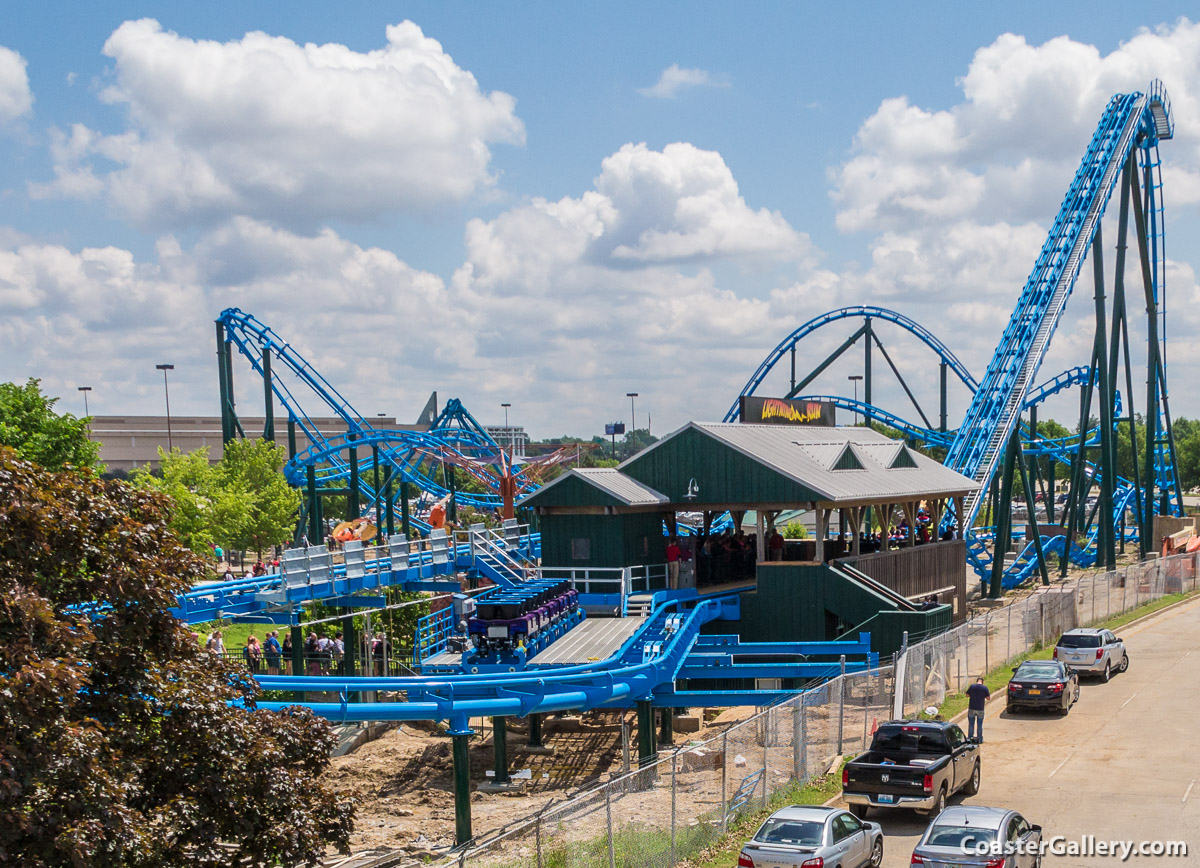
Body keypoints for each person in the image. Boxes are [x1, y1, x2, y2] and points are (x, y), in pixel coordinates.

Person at [966, 676, 991, 743]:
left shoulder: (972, 686)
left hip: (971, 708)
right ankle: (979, 739)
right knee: (979, 725)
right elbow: (988, 698)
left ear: (977, 681)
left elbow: (967, 695)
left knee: (971, 724)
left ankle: (970, 739)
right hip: (980, 709)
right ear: (982, 682)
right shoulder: (984, 688)